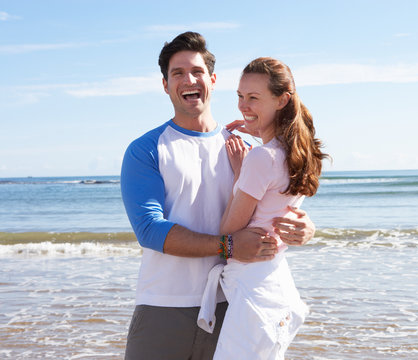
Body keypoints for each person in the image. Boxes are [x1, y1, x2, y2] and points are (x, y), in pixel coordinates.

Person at [120, 32, 316, 360]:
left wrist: (305, 228)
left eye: (196, 71)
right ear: (165, 85)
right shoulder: (146, 150)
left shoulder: (250, 150)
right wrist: (228, 245)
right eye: (177, 73)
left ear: (212, 79)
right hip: (164, 305)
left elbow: (278, 206)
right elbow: (150, 230)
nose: (188, 79)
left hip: (234, 305)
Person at [197, 57, 329, 359]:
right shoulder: (299, 152)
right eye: (240, 97)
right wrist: (258, 126)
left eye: (254, 98)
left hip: (251, 289)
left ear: (282, 100)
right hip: (275, 281)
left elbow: (228, 232)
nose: (243, 106)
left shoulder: (259, 159)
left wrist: (241, 170)